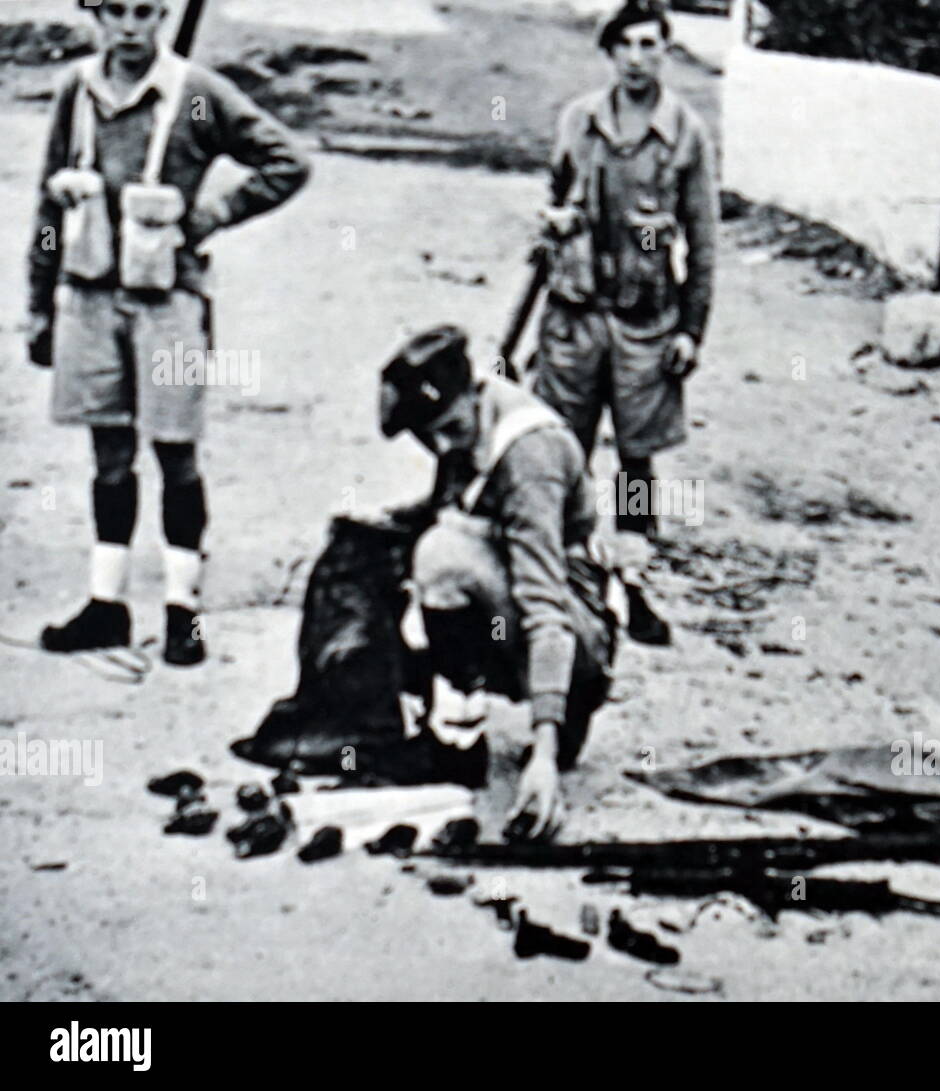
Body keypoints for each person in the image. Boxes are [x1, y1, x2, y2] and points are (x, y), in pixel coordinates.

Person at [28, 0, 310, 664]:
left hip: (168, 300)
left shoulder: (196, 95)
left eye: (147, 12)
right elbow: (48, 200)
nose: (131, 27)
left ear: (162, 16)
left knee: (176, 449)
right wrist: (39, 301)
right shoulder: (76, 90)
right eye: (116, 11)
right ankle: (107, 603)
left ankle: (184, 609)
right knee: (108, 451)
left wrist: (213, 213)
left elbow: (284, 161)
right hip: (92, 297)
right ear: (94, 14)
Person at [380, 325, 617, 841]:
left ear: (473, 393)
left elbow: (546, 607)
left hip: (573, 631)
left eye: (450, 427)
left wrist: (545, 754)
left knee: (441, 557)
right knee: (407, 552)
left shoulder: (527, 455)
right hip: (518, 594)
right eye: (430, 436)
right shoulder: (471, 419)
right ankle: (447, 732)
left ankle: (489, 737)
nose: (443, 445)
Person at [530, 0, 718, 646]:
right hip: (575, 317)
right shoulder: (577, 122)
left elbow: (704, 240)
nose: (640, 59)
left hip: (647, 322)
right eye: (628, 46)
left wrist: (692, 328)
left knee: (636, 462)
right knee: (561, 450)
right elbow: (554, 201)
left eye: (652, 45)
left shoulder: (687, 133)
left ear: (667, 52)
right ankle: (561, 578)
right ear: (610, 53)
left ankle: (630, 585)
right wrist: (553, 224)